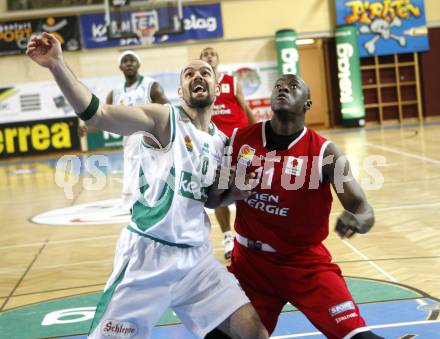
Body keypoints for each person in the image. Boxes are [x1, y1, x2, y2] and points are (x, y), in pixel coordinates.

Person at [27, 33, 268, 339]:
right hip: (148, 256)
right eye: (189, 73)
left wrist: (238, 191)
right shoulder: (164, 118)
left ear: (217, 88)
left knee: (253, 332)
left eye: (205, 72)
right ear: (180, 90)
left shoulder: (222, 142)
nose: (198, 75)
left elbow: (210, 200)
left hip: (196, 261)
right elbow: (99, 114)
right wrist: (57, 65)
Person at [224, 74, 384, 338]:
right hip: (249, 265)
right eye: (278, 86)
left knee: (358, 336)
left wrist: (356, 219)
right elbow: (214, 198)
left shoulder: (326, 153)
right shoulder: (239, 139)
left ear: (307, 104)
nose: (283, 88)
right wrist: (230, 189)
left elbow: (363, 209)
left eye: (293, 86)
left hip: (304, 264)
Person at [79, 50, 169, 211]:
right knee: (132, 178)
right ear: (120, 66)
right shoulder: (115, 93)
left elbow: (168, 109)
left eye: (132, 60)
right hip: (130, 143)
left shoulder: (151, 86)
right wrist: (87, 128)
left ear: (139, 64)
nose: (128, 63)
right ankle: (133, 208)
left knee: (156, 175)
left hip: (151, 140)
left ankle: (159, 204)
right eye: (125, 61)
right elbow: (102, 118)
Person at [200, 47, 256, 259]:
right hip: (215, 146)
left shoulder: (231, 82)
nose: (209, 56)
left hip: (239, 142)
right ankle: (227, 237)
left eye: (212, 54)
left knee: (246, 186)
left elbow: (245, 106)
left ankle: (248, 235)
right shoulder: (199, 85)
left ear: (218, 59)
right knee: (219, 190)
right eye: (205, 54)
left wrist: (257, 130)